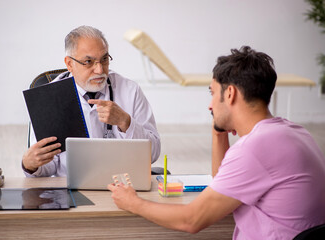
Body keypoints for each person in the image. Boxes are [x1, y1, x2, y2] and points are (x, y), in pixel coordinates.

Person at [108, 46, 325, 239]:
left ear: (230, 93)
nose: (210, 105)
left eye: (212, 93)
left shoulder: (255, 149)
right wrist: (218, 132)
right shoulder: (294, 132)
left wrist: (133, 203)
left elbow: (191, 220)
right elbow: (224, 182)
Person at [22, 26, 161, 177]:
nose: (100, 70)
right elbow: (48, 167)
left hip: (122, 185)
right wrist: (30, 165)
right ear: (69, 64)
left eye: (104, 59)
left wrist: (126, 122)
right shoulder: (48, 99)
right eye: (88, 61)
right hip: (70, 189)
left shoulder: (130, 90)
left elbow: (152, 154)